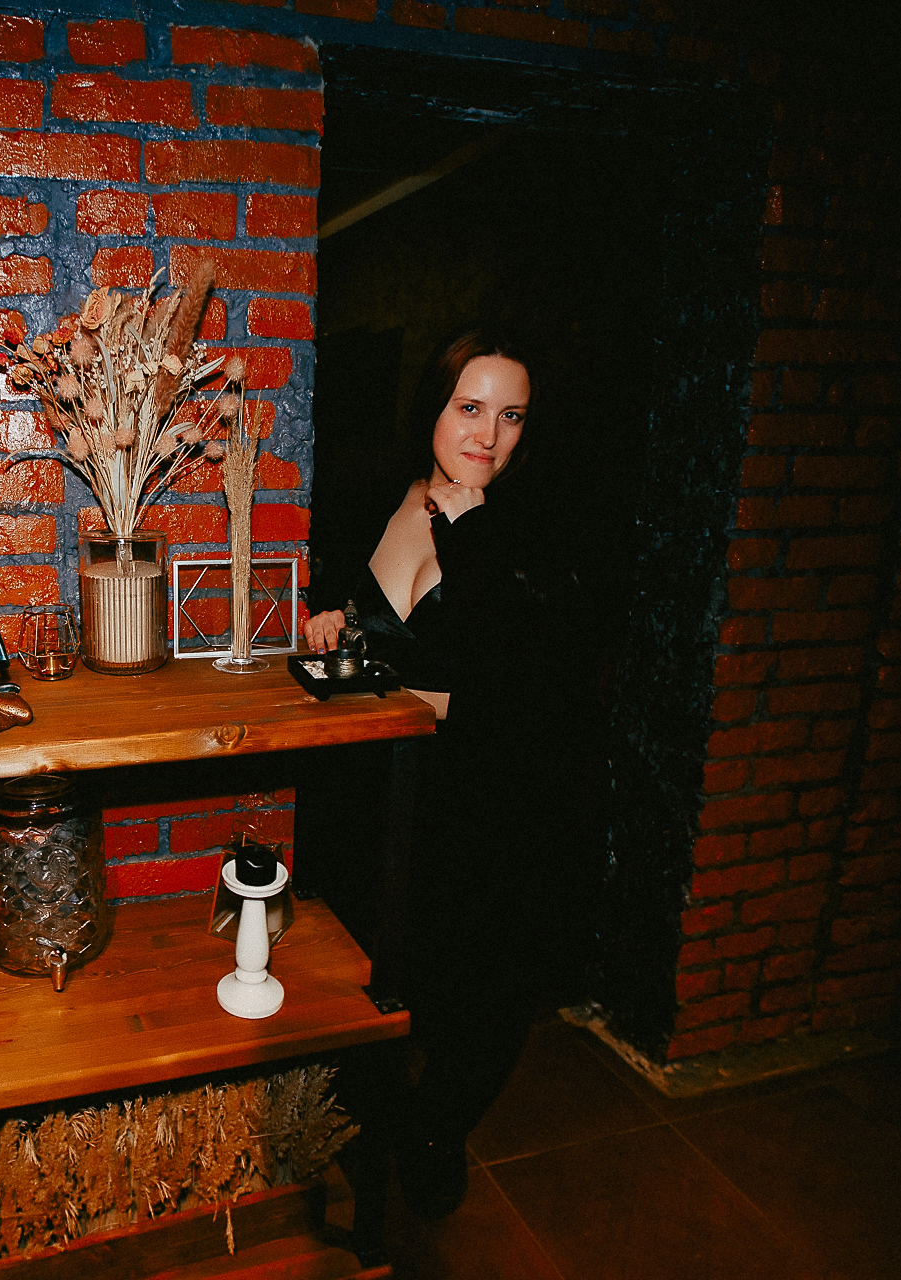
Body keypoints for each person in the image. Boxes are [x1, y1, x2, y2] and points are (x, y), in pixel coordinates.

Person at [302, 328, 602, 1220]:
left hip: (479, 796)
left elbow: (524, 677)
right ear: (433, 407)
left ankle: (438, 1130)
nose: (488, 435)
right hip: (376, 786)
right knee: (369, 970)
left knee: (478, 992)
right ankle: (379, 1114)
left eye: (512, 416)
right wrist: (330, 621)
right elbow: (353, 606)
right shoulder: (378, 496)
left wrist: (471, 529)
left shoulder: (528, 527)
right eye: (470, 407)